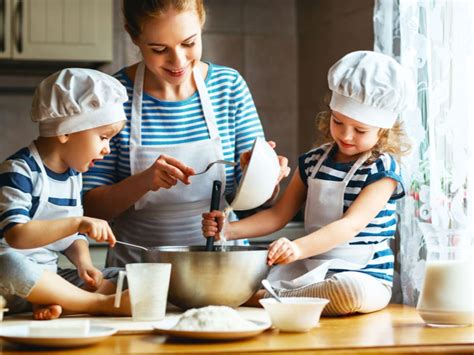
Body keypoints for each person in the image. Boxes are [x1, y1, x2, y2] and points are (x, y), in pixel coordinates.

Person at [202, 51, 413, 316]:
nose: (346, 135)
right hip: (311, 270)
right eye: (338, 121)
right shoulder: (312, 162)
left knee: (350, 291)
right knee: (263, 275)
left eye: (360, 130)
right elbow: (278, 215)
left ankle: (263, 298)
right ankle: (283, 297)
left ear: (384, 130)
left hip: (365, 275)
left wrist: (298, 247)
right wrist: (228, 230)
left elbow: (350, 226)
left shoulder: (383, 170)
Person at [82, 0, 289, 267]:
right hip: (139, 270)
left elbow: (258, 202)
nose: (178, 60)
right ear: (134, 36)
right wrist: (144, 181)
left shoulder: (229, 87)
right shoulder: (113, 96)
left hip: (222, 267)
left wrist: (265, 177)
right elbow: (90, 207)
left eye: (189, 43)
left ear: (202, 24)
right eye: (159, 49)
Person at [0, 68, 131, 320]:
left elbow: (72, 236)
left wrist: (84, 263)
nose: (107, 150)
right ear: (66, 131)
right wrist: (78, 222)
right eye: (103, 137)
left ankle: (52, 299)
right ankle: (97, 304)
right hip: (9, 281)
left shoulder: (73, 175)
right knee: (6, 265)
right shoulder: (19, 171)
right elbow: (16, 236)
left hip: (47, 278)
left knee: (123, 278)